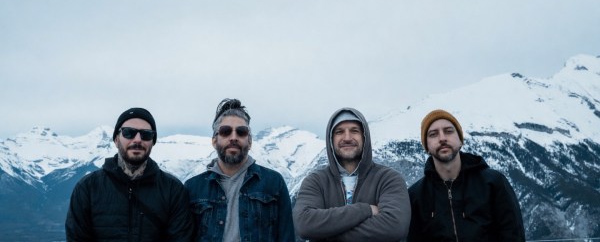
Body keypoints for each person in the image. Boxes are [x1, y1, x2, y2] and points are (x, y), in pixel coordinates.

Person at [65, 107, 194, 241]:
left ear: (152, 142)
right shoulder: (88, 187)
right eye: (128, 133)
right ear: (116, 140)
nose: (137, 140)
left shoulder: (173, 190)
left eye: (146, 134)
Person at [184, 98, 295, 242]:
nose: (233, 137)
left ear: (250, 141)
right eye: (225, 131)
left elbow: (287, 236)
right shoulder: (193, 188)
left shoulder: (274, 183)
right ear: (214, 141)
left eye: (241, 132)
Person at [293, 107, 411, 241]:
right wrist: (365, 210)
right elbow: (305, 225)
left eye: (354, 131)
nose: (347, 138)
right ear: (331, 139)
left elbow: (394, 227)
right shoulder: (316, 181)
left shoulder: (388, 178)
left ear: (364, 137)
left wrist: (325, 233)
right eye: (339, 132)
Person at [408, 109, 526, 241]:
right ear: (427, 146)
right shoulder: (416, 196)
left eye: (448, 131)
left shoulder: (493, 183)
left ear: (460, 140)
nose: (442, 138)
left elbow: (513, 235)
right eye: (433, 134)